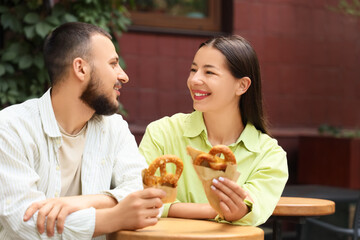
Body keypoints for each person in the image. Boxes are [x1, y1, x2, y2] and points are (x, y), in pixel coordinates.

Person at [0, 22, 165, 239]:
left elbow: (149, 199)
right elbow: (23, 221)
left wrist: (81, 202)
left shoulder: (115, 128)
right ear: (80, 68)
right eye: (113, 64)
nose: (123, 76)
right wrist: (114, 217)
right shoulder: (11, 128)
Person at [139, 35, 289, 226]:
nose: (194, 80)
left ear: (242, 85)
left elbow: (251, 211)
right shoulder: (162, 133)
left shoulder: (270, 155)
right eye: (193, 70)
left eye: (209, 72)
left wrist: (238, 211)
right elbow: (141, 197)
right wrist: (214, 210)